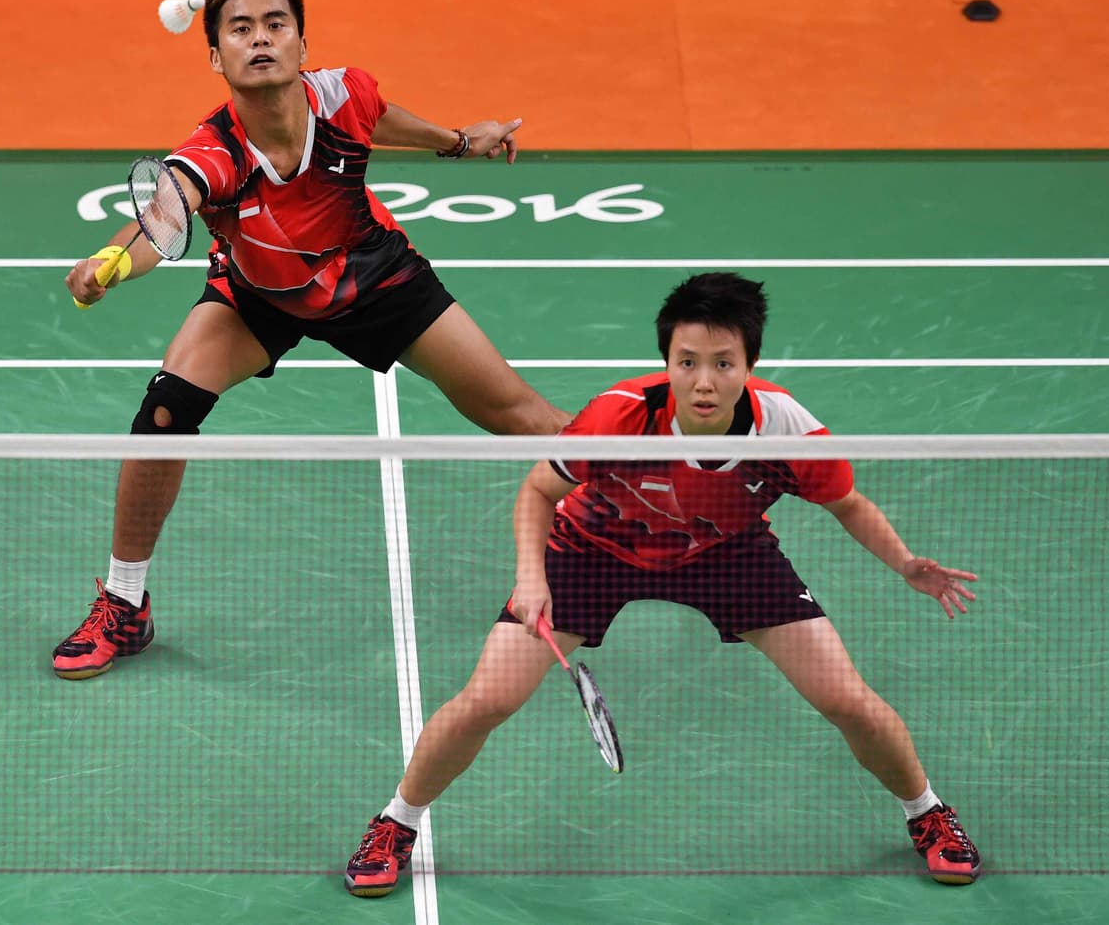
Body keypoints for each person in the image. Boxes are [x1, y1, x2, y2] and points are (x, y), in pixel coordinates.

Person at [345, 271, 982, 897]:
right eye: (688, 362)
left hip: (727, 554)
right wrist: (530, 578)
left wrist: (904, 563)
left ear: (750, 364)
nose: (704, 381)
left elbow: (847, 503)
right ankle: (396, 822)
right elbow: (539, 489)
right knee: (488, 699)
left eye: (724, 364)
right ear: (667, 361)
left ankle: (925, 810)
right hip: (592, 550)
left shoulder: (786, 429)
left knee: (847, 699)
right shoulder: (619, 417)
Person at [54, 0, 569, 679]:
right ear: (216, 56)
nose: (260, 39)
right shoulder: (213, 153)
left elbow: (380, 119)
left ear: (300, 45)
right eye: (240, 29)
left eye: (275, 25)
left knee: (521, 415)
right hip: (259, 294)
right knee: (166, 409)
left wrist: (456, 141)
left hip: (372, 274)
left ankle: (646, 510)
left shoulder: (342, 93)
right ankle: (125, 602)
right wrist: (106, 263)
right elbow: (160, 217)